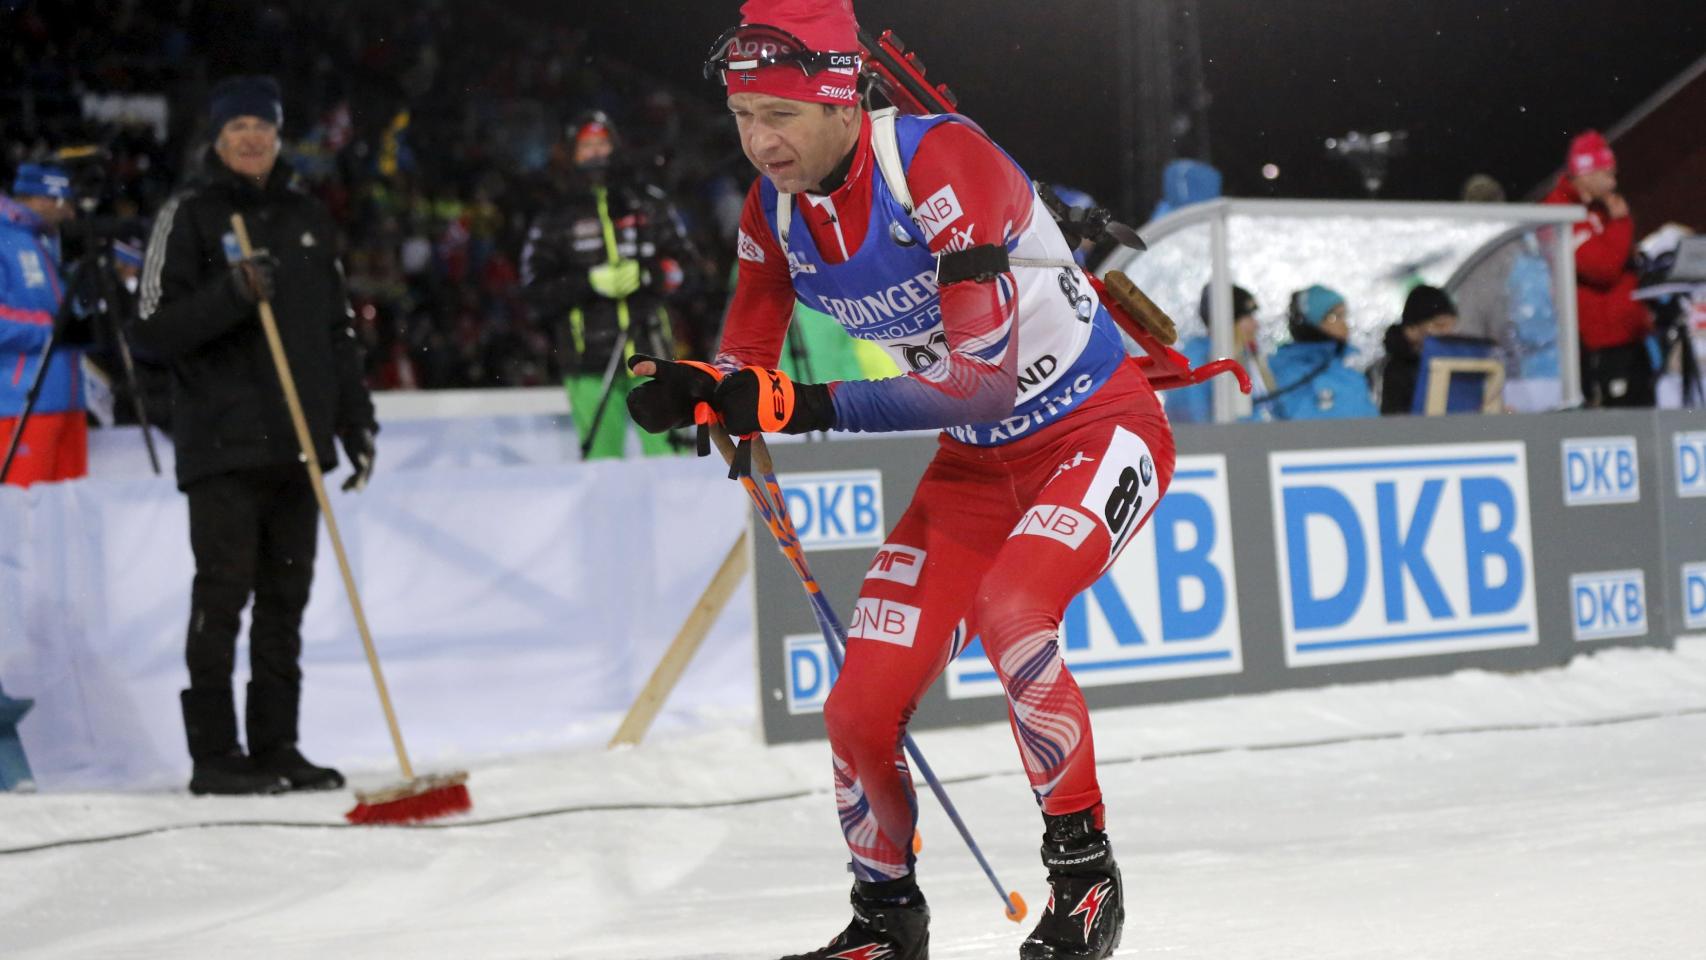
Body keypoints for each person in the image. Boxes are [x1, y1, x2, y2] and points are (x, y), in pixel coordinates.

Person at [628, 2, 1176, 956]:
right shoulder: (775, 208)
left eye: (781, 115)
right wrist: (699, 395)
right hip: (977, 466)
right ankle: (885, 920)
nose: (759, 142)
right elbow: (748, 360)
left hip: (1095, 428)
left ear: (842, 101)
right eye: (743, 115)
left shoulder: (937, 161)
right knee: (858, 709)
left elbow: (977, 381)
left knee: (1015, 611)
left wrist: (794, 406)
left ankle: (1085, 880)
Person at [134, 76, 376, 796]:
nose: (251, 138)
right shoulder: (189, 214)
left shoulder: (306, 216)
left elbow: (338, 334)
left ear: (278, 137)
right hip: (221, 447)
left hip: (297, 444)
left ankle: (277, 746)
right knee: (223, 596)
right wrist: (230, 295)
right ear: (216, 136)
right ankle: (215, 756)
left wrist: (357, 420)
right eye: (237, 125)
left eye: (263, 127)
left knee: (285, 602)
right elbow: (149, 331)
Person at [520, 110, 701, 459]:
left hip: (652, 356)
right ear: (571, 153)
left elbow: (692, 270)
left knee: (670, 465)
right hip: (587, 362)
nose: (595, 153)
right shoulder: (555, 216)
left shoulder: (648, 201)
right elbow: (534, 292)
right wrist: (588, 283)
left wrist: (654, 274)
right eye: (586, 146)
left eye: (602, 143)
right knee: (602, 470)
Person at [1542, 130, 1653, 407]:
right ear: (1586, 173)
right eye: (1607, 174)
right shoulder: (1559, 212)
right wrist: (1620, 224)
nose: (1614, 182)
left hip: (1629, 338)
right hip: (1600, 345)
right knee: (1621, 427)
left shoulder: (1602, 207)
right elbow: (1601, 269)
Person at [1, 162, 87, 487]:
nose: (71, 214)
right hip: (18, 403)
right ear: (44, 200)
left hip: (67, 398)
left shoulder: (45, 241)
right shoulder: (4, 238)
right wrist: (53, 327)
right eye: (66, 204)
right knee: (22, 517)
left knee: (71, 515)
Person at [1265, 284, 1378, 420]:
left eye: (1344, 316)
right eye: (1335, 317)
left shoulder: (1349, 369)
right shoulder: (1287, 372)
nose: (1344, 325)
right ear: (1313, 323)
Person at [1168, 282, 1272, 423]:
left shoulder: (1242, 355)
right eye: (1248, 317)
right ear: (1228, 321)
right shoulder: (1198, 358)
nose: (1256, 325)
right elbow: (1202, 422)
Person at [1378, 284, 1458, 415]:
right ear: (1411, 330)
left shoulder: (1457, 359)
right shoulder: (1396, 371)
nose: (1448, 333)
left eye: (1452, 326)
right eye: (1439, 326)